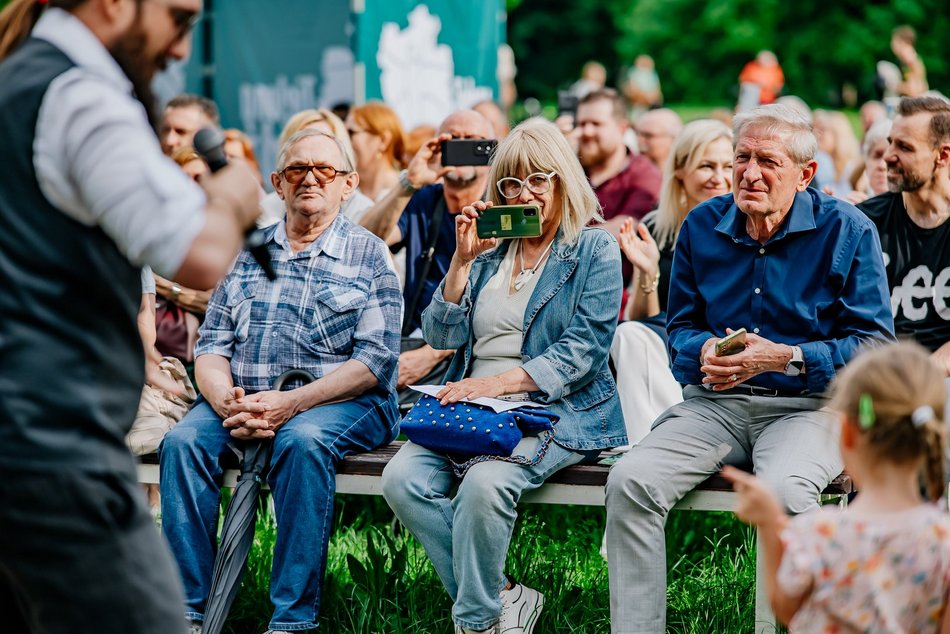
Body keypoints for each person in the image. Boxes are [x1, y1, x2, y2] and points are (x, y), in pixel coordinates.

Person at [0, 0, 260, 632]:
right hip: (47, 446)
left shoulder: (17, 80)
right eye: (179, 18)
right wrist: (230, 198)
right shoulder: (80, 97)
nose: (179, 50)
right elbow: (199, 256)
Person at [605, 103, 895, 633]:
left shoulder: (848, 230)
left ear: (806, 174)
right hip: (714, 407)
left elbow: (875, 347)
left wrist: (788, 357)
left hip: (812, 408)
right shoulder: (701, 225)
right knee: (631, 479)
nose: (749, 173)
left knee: (786, 492)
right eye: (742, 158)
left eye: (768, 161)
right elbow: (680, 330)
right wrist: (705, 352)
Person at [381, 117, 625, 634]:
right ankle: (506, 597)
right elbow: (441, 336)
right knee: (401, 480)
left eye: (538, 180)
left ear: (563, 180)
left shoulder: (593, 249)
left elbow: (584, 350)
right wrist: (461, 266)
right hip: (473, 404)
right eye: (512, 183)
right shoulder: (491, 251)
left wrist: (497, 384)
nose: (524, 194)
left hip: (552, 408)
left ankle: (476, 622)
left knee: (484, 485)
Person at [160, 129, 402, 634]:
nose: (310, 178)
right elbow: (211, 348)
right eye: (297, 170)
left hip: (343, 398)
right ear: (278, 183)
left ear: (348, 185)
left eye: (325, 170)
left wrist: (290, 404)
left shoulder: (369, 254)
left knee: (303, 439)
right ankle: (185, 612)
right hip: (245, 398)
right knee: (182, 442)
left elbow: (375, 362)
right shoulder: (247, 251)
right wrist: (226, 401)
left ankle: (292, 620)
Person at [723, 342, 950, 632]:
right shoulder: (943, 539)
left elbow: (787, 609)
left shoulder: (819, 533)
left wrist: (770, 524)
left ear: (848, 437)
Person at [359, 109, 495, 402]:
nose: (461, 150)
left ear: (491, 150)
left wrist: (430, 354)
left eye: (473, 142)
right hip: (415, 335)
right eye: (452, 141)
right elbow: (365, 239)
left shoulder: (498, 210)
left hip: (471, 345)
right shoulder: (424, 200)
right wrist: (410, 181)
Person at [611, 119, 733, 445]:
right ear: (680, 170)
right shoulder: (657, 226)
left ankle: (670, 441)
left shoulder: (746, 225)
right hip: (668, 341)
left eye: (728, 166)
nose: (719, 178)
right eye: (707, 166)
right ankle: (648, 445)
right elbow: (641, 319)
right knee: (627, 335)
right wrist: (647, 272)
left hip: (721, 343)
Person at [858, 96, 950, 378]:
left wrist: (921, 378)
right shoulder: (864, 222)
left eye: (904, 147)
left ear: (943, 155)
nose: (887, 156)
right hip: (877, 375)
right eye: (890, 142)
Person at [259, 108, 374, 227]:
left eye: (323, 168)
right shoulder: (267, 207)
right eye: (303, 137)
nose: (310, 180)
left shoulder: (361, 210)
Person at [345, 101, 407, 202]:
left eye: (351, 132)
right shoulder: (345, 191)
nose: (343, 139)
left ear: (383, 140)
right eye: (343, 132)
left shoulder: (405, 193)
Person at [813, 110, 861, 197]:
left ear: (838, 134)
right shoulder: (825, 164)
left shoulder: (851, 168)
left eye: (823, 130)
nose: (817, 135)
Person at [635, 108, 683, 172]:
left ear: (673, 140)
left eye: (648, 135)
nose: (639, 140)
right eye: (638, 134)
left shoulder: (683, 176)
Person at [891, 25, 928, 98]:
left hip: (917, 98)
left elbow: (915, 89)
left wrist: (895, 86)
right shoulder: (909, 57)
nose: (892, 44)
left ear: (902, 42)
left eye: (894, 40)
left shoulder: (908, 55)